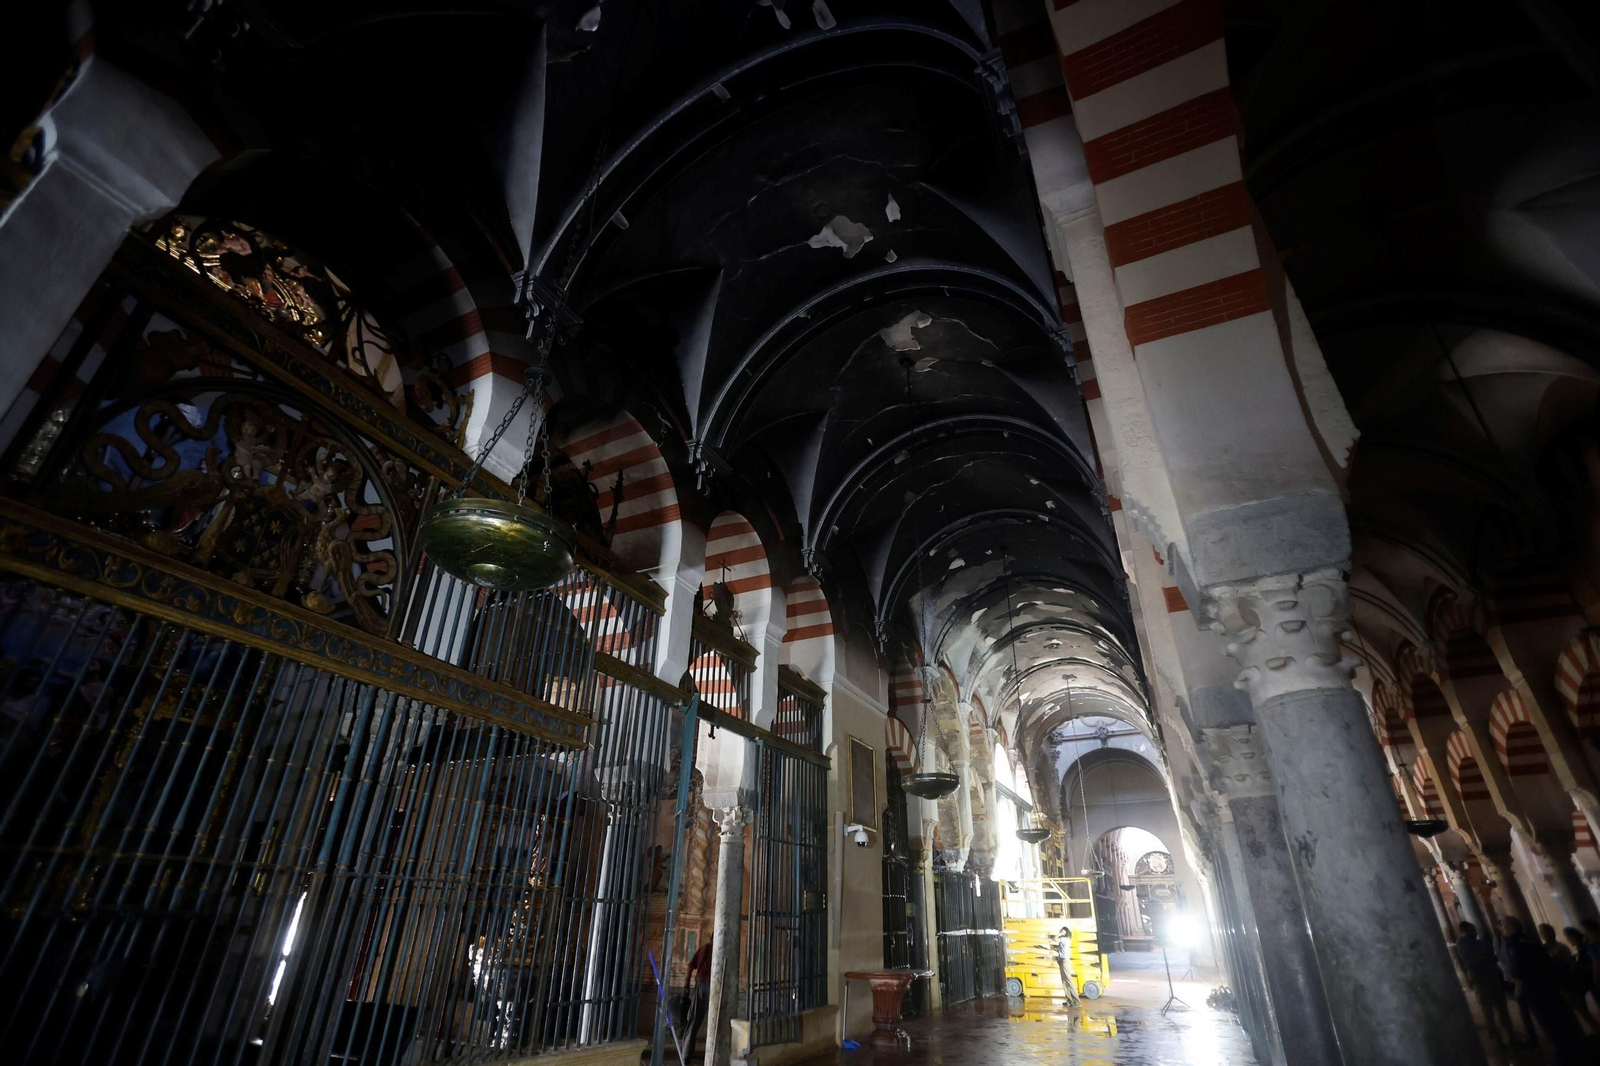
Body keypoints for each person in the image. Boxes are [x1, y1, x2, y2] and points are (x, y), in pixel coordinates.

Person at [1497, 916, 1588, 1064]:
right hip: (1545, 988)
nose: (1501, 927)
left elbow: (1516, 969)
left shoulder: (1519, 944)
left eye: (1503, 924)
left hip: (1538, 990)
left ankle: (1570, 1056)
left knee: (1553, 1025)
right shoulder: (1524, 942)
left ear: (1511, 926)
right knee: (1561, 1022)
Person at [1454, 921, 1515, 1047]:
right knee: (1487, 1008)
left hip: (1489, 974)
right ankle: (1496, 1038)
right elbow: (1477, 959)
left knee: (1501, 1005)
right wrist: (1485, 956)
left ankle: (1510, 1035)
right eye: (1472, 930)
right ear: (1464, 931)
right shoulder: (1462, 943)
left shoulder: (1478, 942)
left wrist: (1485, 957)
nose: (1475, 931)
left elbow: (1489, 956)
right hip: (1479, 976)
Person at [684, 936, 714, 1054]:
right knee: (695, 1019)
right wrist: (686, 986)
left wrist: (686, 986)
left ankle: (686, 1053)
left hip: (705, 985)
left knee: (694, 1019)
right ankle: (686, 1052)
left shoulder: (705, 948)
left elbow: (690, 967)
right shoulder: (707, 948)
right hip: (706, 985)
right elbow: (690, 966)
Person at [1053, 927, 1080, 1007]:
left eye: (1062, 931)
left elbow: (1054, 939)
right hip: (1062, 961)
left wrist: (1060, 934)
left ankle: (1076, 1001)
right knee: (1064, 981)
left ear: (1065, 932)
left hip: (1065, 961)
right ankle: (1069, 1000)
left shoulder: (1065, 938)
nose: (1061, 932)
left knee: (1068, 980)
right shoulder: (1064, 940)